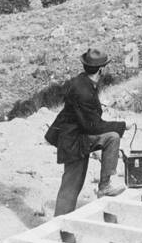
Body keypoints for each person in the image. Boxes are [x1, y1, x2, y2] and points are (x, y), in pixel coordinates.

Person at [48, 48, 127, 215]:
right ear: (101, 69)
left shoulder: (83, 82)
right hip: (73, 140)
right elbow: (94, 126)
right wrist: (122, 125)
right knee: (71, 185)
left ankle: (104, 185)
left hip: (78, 135)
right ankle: (61, 226)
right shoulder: (83, 91)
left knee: (111, 138)